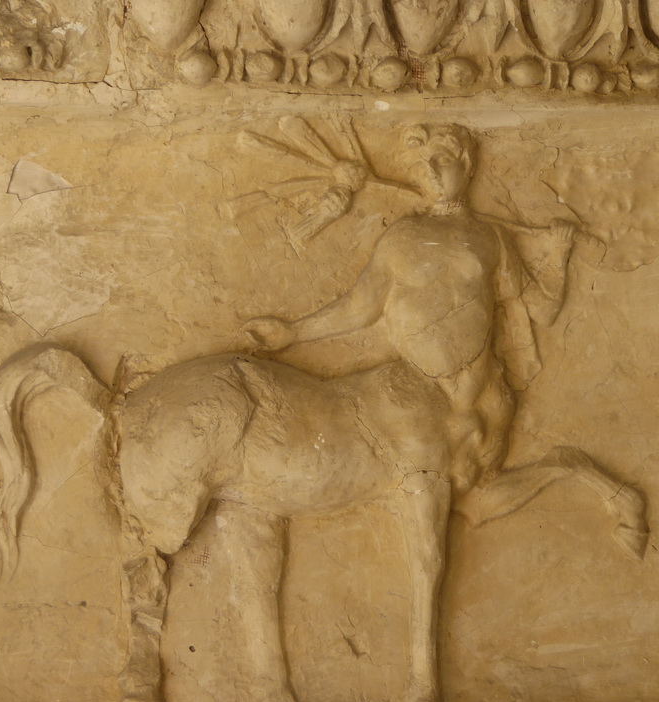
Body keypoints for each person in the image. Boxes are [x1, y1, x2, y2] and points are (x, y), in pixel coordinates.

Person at [246, 123, 581, 497]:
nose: (432, 173)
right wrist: (293, 332)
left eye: (441, 160)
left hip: (485, 399)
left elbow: (544, 310)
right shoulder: (402, 236)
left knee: (479, 492)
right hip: (419, 396)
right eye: (422, 166)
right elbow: (359, 307)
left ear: (467, 164)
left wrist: (559, 254)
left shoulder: (491, 238)